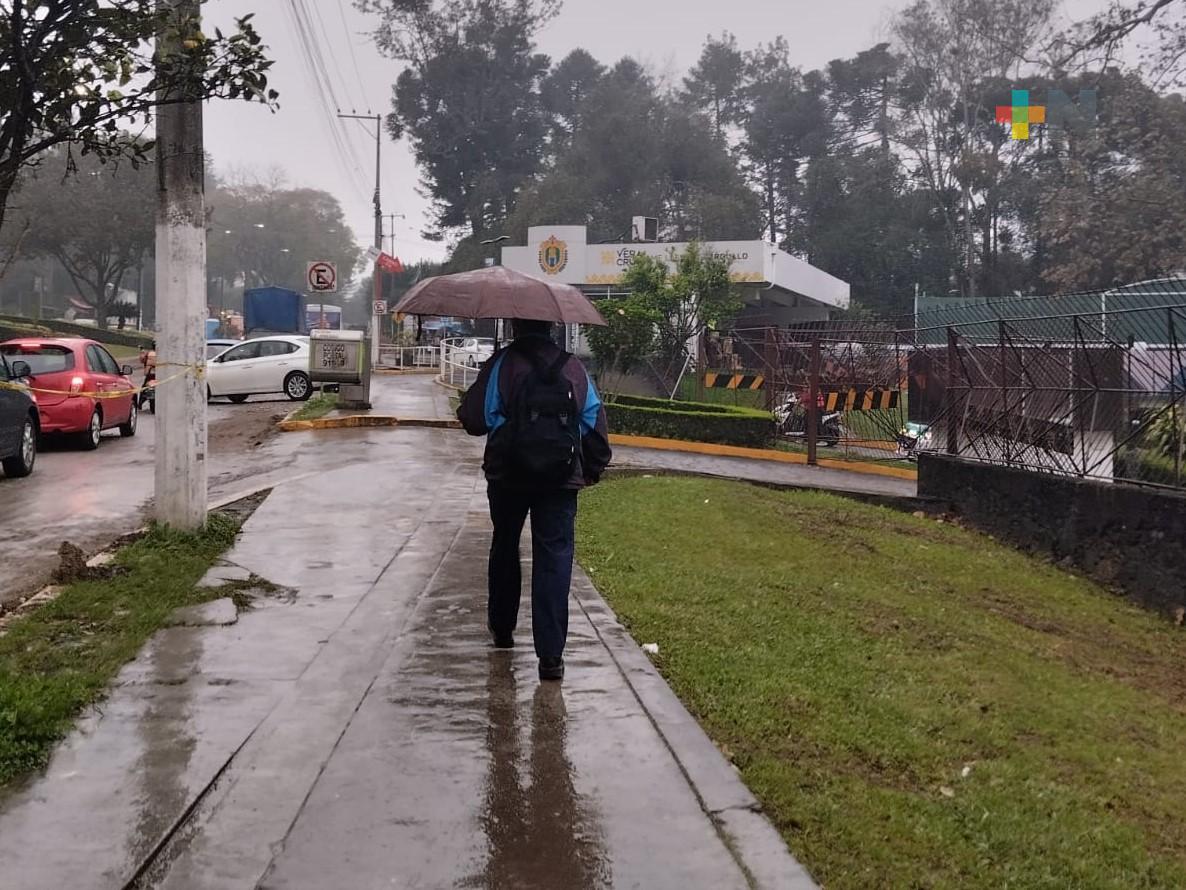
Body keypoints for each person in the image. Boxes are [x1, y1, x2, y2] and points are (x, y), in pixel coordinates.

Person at [457, 318, 611, 682]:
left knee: (505, 545)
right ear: (552, 327)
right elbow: (593, 424)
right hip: (560, 480)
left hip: (507, 476)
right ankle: (551, 657)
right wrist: (592, 469)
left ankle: (502, 629)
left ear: (515, 326)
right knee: (554, 558)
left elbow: (474, 419)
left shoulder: (501, 364)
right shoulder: (574, 368)